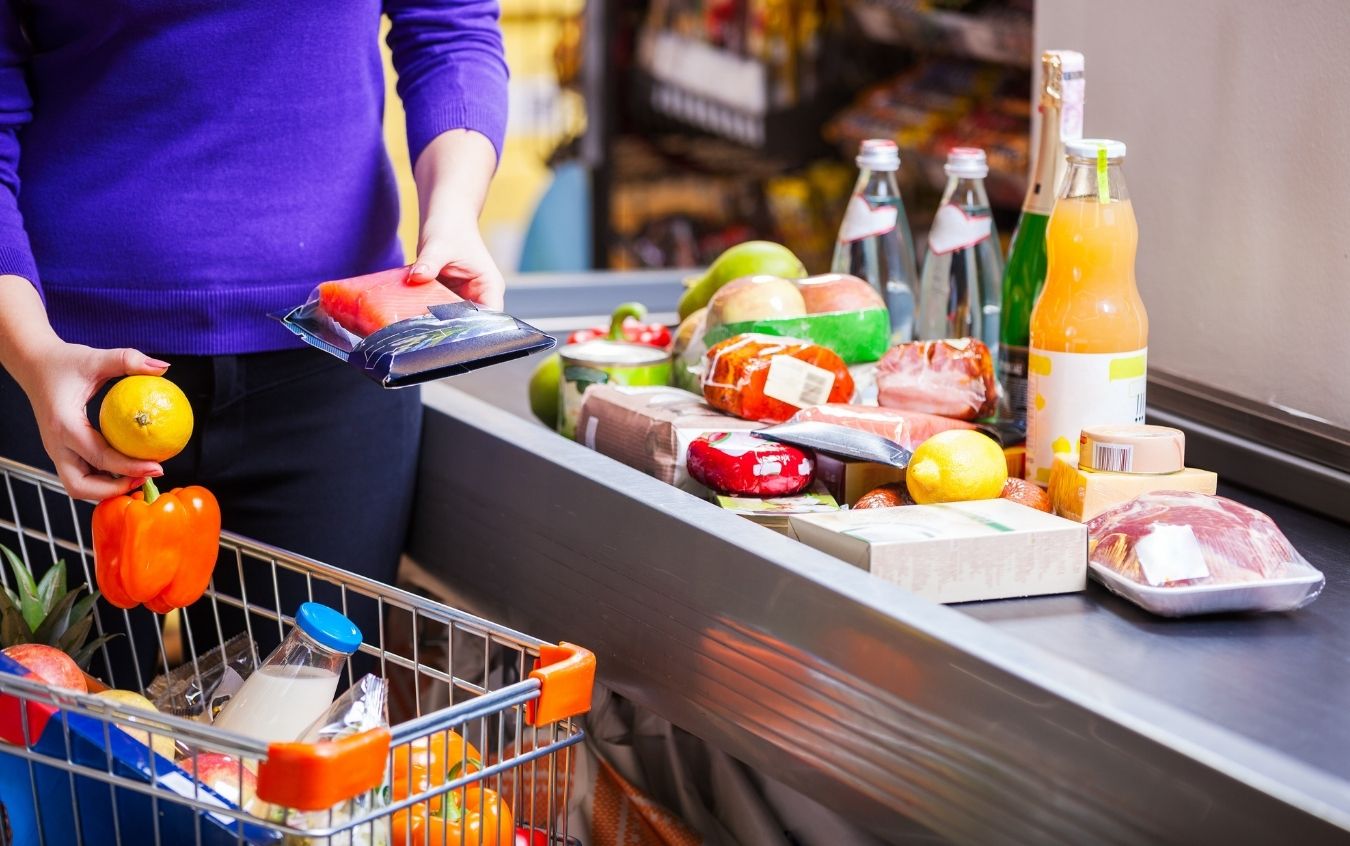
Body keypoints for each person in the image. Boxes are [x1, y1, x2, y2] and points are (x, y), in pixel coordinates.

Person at [0, 2, 509, 664]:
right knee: (67, 748)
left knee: (306, 737)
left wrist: (454, 216)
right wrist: (32, 353)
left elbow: (450, 26)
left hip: (333, 365)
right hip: (62, 371)